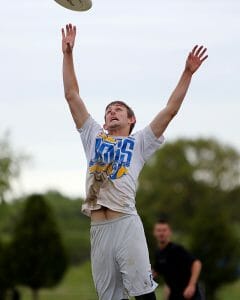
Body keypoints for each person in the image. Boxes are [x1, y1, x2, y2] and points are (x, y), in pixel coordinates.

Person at [61, 23, 208, 300]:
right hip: (98, 228)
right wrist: (68, 54)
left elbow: (171, 110)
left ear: (131, 120)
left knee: (143, 294)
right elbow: (72, 95)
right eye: (108, 110)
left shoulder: (139, 141)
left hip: (126, 224)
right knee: (110, 298)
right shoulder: (93, 135)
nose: (111, 112)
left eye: (119, 109)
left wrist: (187, 73)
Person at [153, 219, 203, 300]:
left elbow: (197, 263)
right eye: (158, 230)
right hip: (174, 296)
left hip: (190, 295)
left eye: (164, 230)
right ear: (154, 233)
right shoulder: (158, 253)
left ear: (169, 232)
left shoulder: (176, 249)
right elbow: (155, 272)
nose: (161, 233)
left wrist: (191, 286)